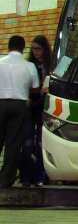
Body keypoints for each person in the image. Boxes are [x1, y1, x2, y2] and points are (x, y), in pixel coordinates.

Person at [0, 35, 39, 188]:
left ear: (8, 47)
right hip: (19, 106)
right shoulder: (29, 66)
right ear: (23, 49)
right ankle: (5, 180)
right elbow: (35, 88)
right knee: (13, 143)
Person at [19, 35, 52, 187]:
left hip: (44, 107)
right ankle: (26, 176)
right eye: (33, 49)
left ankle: (41, 177)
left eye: (38, 49)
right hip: (32, 107)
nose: (36, 52)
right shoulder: (30, 65)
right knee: (27, 143)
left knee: (41, 144)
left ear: (44, 49)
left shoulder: (51, 65)